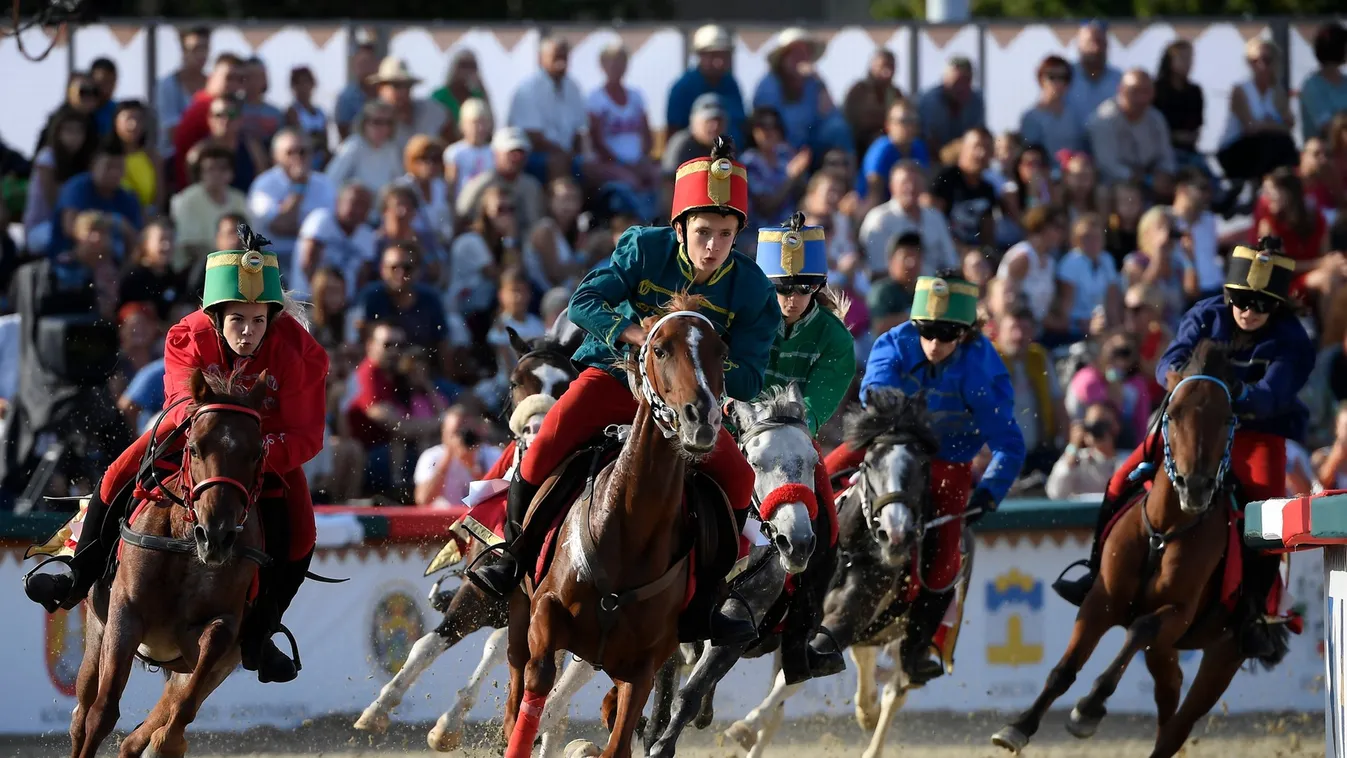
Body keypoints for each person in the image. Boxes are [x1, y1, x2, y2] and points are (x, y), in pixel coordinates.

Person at [466, 136, 781, 646]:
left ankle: (705, 603)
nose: (712, 246)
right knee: (545, 443)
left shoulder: (754, 290)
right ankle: (511, 554)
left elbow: (751, 376)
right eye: (702, 231)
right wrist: (638, 335)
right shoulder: (644, 248)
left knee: (741, 478)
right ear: (680, 227)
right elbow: (585, 301)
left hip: (688, 408)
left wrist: (703, 366)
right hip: (616, 381)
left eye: (725, 234)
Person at [23, 225, 330, 685]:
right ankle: (78, 573)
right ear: (216, 316)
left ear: (272, 317)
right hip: (192, 440)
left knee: (303, 533)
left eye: (258, 321)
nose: (248, 333)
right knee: (114, 474)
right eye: (237, 321)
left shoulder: (300, 353)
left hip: (263, 456)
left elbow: (307, 434)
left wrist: (253, 450)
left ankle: (261, 633)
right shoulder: (187, 335)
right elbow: (181, 405)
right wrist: (218, 440)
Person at [1051, 237, 1315, 656]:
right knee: (1121, 477)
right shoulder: (1204, 314)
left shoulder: (1294, 342)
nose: (1248, 311)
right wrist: (1193, 389)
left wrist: (1228, 397)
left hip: (1256, 432)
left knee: (1267, 514)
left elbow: (1271, 396)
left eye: (1261, 304)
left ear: (1276, 307)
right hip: (1190, 424)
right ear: (1229, 294)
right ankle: (1093, 571)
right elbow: (1166, 365)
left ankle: (1257, 609)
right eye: (1242, 300)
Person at [824, 269, 1025, 685]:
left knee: (943, 561)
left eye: (948, 334)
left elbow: (1009, 443)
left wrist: (989, 492)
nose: (935, 344)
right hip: (887, 439)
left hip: (948, 461)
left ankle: (916, 650)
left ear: (966, 333)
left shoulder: (985, 368)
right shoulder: (891, 345)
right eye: (927, 332)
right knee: (818, 480)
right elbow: (874, 397)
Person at [753, 213, 856, 682]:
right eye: (780, 288)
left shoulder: (836, 339)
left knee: (828, 533)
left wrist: (782, 426)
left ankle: (798, 642)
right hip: (733, 431)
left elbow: (816, 405)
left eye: (801, 289)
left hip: (792, 444)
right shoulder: (745, 320)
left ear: (817, 287)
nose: (789, 300)